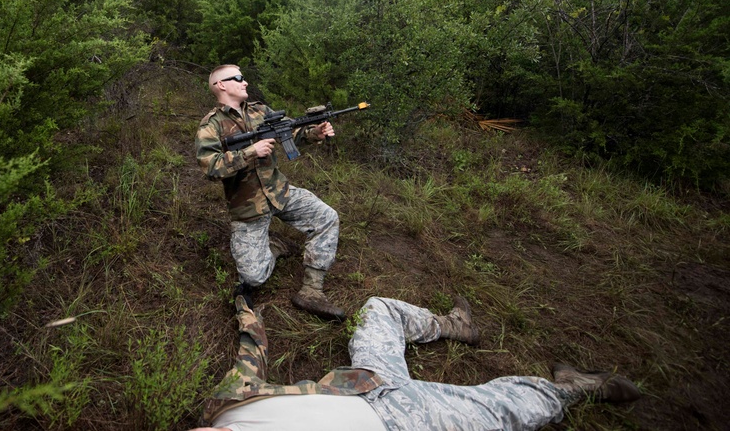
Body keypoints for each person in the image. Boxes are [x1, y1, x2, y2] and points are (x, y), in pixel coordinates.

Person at [192, 293, 640, 431]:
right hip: (405, 423)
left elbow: (250, 355)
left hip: (368, 383)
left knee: (376, 310)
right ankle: (569, 388)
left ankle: (451, 325)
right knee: (507, 410)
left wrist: (245, 312)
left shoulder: (226, 404)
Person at [195, 64, 346, 320]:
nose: (245, 82)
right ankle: (274, 246)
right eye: (239, 78)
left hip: (280, 192)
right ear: (221, 85)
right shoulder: (211, 126)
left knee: (327, 217)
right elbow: (210, 167)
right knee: (254, 277)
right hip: (248, 207)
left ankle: (311, 290)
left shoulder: (260, 111)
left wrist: (314, 133)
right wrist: (250, 152)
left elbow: (295, 131)